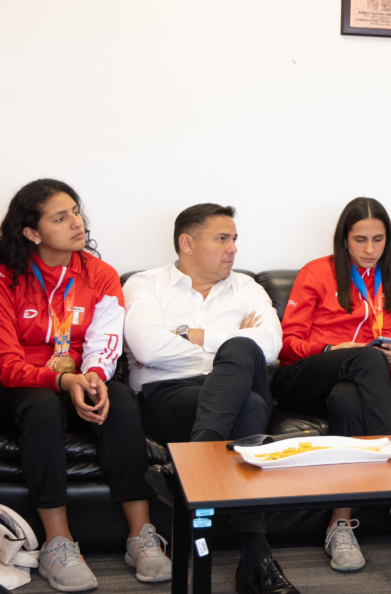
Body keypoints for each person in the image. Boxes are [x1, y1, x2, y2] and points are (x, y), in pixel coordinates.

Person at [0, 179, 171, 592]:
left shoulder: (99, 274)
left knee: (121, 400)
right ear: (32, 232)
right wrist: (61, 379)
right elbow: (6, 362)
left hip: (78, 376)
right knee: (42, 408)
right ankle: (58, 544)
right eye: (60, 218)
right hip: (20, 386)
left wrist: (93, 376)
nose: (77, 223)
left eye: (76, 212)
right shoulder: (5, 277)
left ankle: (142, 537)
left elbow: (105, 342)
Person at [123, 204, 298, 594]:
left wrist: (187, 335)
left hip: (231, 389)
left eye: (234, 239)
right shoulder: (144, 284)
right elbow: (148, 347)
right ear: (187, 243)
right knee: (249, 400)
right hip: (168, 394)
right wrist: (230, 345)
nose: (233, 248)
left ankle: (194, 465)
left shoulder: (246, 287)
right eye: (222, 239)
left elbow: (270, 346)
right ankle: (256, 560)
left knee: (243, 352)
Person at [276, 196, 391, 573]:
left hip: (356, 386)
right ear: (344, 239)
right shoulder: (316, 273)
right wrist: (331, 350)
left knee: (348, 398)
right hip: (304, 377)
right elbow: (286, 344)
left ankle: (339, 526)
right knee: (366, 357)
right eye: (360, 240)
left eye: (378, 239)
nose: (370, 249)